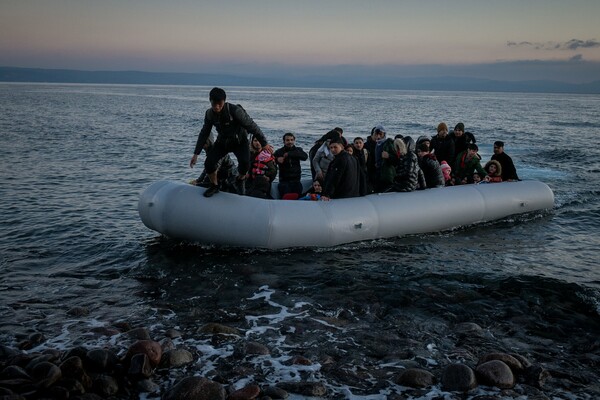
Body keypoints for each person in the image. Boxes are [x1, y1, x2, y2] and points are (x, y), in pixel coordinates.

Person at [190, 87, 272, 197]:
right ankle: (214, 185)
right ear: (210, 101)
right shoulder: (209, 114)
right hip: (223, 142)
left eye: (219, 103)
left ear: (224, 101)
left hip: (240, 141)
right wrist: (196, 153)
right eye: (214, 104)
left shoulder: (234, 111)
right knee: (209, 163)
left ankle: (240, 179)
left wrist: (264, 142)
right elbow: (204, 132)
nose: (216, 107)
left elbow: (252, 126)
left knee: (245, 164)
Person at [273, 132, 308, 198]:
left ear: (294, 140)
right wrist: (277, 159)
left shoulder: (298, 150)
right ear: (284, 141)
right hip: (284, 181)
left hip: (296, 181)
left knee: (297, 199)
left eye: (292, 140)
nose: (290, 142)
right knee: (285, 198)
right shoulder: (279, 151)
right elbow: (271, 160)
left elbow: (305, 157)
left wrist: (289, 154)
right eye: (287, 140)